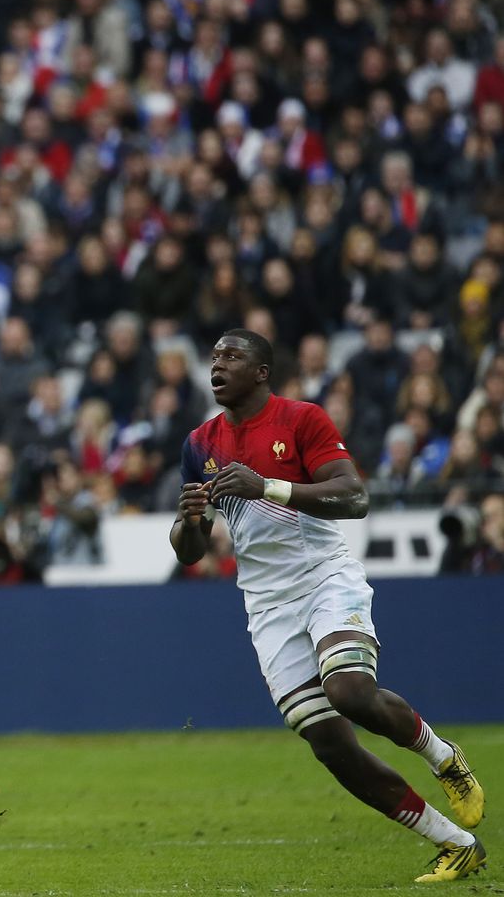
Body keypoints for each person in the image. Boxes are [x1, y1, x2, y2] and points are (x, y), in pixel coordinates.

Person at [171, 330, 485, 885]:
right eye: (213, 357)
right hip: (266, 604)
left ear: (262, 371)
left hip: (324, 577)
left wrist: (268, 485)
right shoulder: (200, 442)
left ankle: (443, 757)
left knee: (349, 691)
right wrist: (190, 519)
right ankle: (454, 843)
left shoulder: (301, 420)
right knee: (328, 742)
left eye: (232, 356)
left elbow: (355, 497)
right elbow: (191, 552)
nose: (217, 365)